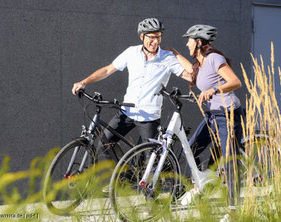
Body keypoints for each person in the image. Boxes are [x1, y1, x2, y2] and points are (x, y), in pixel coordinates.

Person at [72, 18, 192, 163]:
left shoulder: (168, 58)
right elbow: (108, 70)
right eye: (152, 37)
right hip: (127, 111)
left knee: (149, 161)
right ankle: (124, 179)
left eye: (158, 37)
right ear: (142, 36)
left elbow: (191, 76)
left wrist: (176, 53)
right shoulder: (131, 52)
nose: (156, 41)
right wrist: (84, 82)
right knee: (104, 143)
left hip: (149, 116)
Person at [174, 24, 244, 221]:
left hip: (228, 114)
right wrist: (173, 53)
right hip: (213, 114)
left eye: (189, 40)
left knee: (230, 160)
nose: (187, 43)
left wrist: (213, 90)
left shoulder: (214, 58)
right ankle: (199, 186)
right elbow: (187, 70)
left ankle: (233, 210)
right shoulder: (198, 63)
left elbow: (235, 82)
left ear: (198, 42)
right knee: (191, 148)